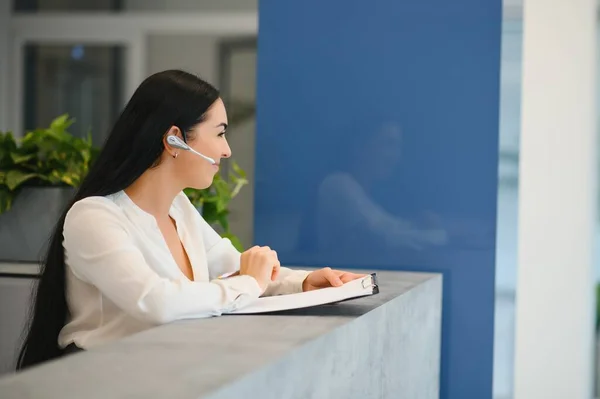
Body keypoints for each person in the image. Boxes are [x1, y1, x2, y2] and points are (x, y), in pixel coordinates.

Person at [16, 70, 364, 370]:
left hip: (169, 371)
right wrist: (250, 284)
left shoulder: (179, 208)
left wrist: (302, 282)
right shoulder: (94, 217)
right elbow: (157, 302)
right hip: (107, 380)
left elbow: (235, 268)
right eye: (219, 133)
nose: (226, 151)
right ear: (174, 139)